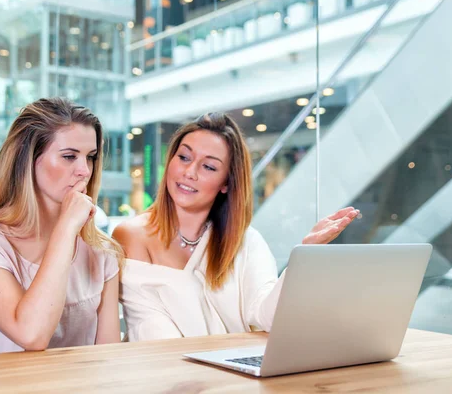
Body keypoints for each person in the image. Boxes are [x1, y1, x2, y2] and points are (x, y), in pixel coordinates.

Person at [113, 113, 359, 341]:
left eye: (208, 167)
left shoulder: (246, 242)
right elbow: (150, 332)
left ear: (226, 183)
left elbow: (267, 316)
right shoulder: (131, 235)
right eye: (184, 157)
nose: (189, 172)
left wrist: (305, 254)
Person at [0, 97, 122, 356]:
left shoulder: (100, 252)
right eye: (69, 156)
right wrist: (66, 229)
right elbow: (31, 334)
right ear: (27, 159)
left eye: (91, 157)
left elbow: (109, 358)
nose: (85, 170)